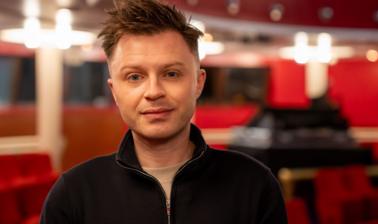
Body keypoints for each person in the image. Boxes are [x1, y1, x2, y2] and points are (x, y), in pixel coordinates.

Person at [40, 0, 288, 223]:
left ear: (198, 83)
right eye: (134, 76)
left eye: (171, 74)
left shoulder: (254, 185)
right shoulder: (73, 194)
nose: (154, 91)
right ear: (115, 91)